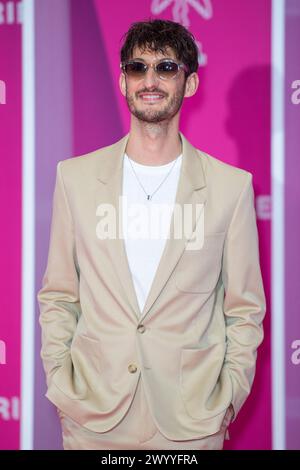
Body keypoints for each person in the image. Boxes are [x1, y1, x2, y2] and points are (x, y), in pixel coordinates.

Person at [37, 19, 266, 450]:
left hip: (191, 422)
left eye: (166, 67)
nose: (151, 80)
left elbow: (244, 309)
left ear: (190, 82)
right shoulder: (75, 178)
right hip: (94, 417)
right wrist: (62, 382)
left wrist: (228, 397)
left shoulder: (231, 188)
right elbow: (59, 296)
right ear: (123, 80)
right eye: (138, 67)